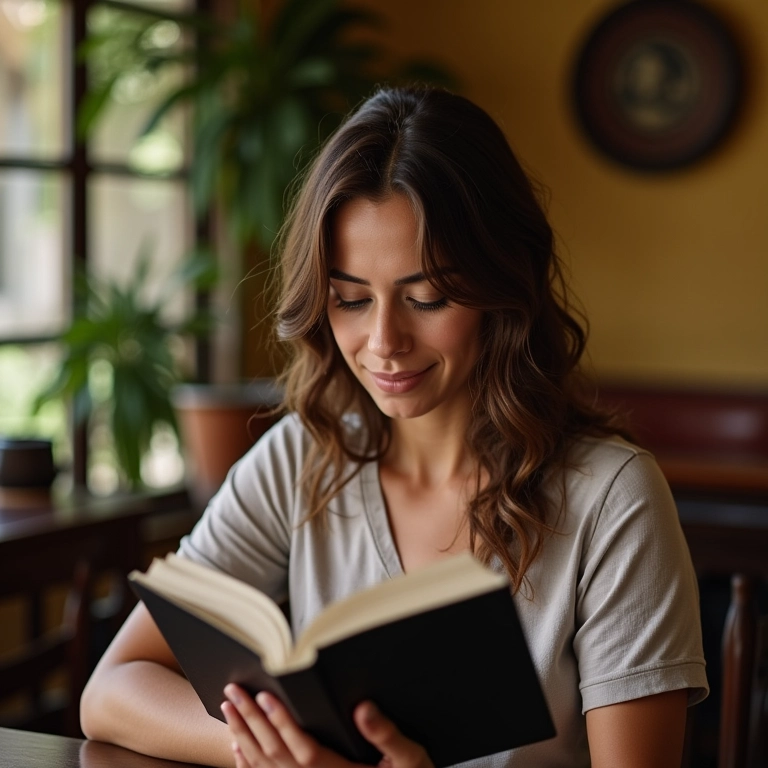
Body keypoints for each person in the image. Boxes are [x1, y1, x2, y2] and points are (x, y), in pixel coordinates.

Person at [80, 86, 708, 768]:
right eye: (350, 299)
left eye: (427, 297)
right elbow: (111, 692)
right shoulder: (303, 457)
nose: (383, 341)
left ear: (505, 283)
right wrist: (275, 754)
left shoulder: (612, 498)